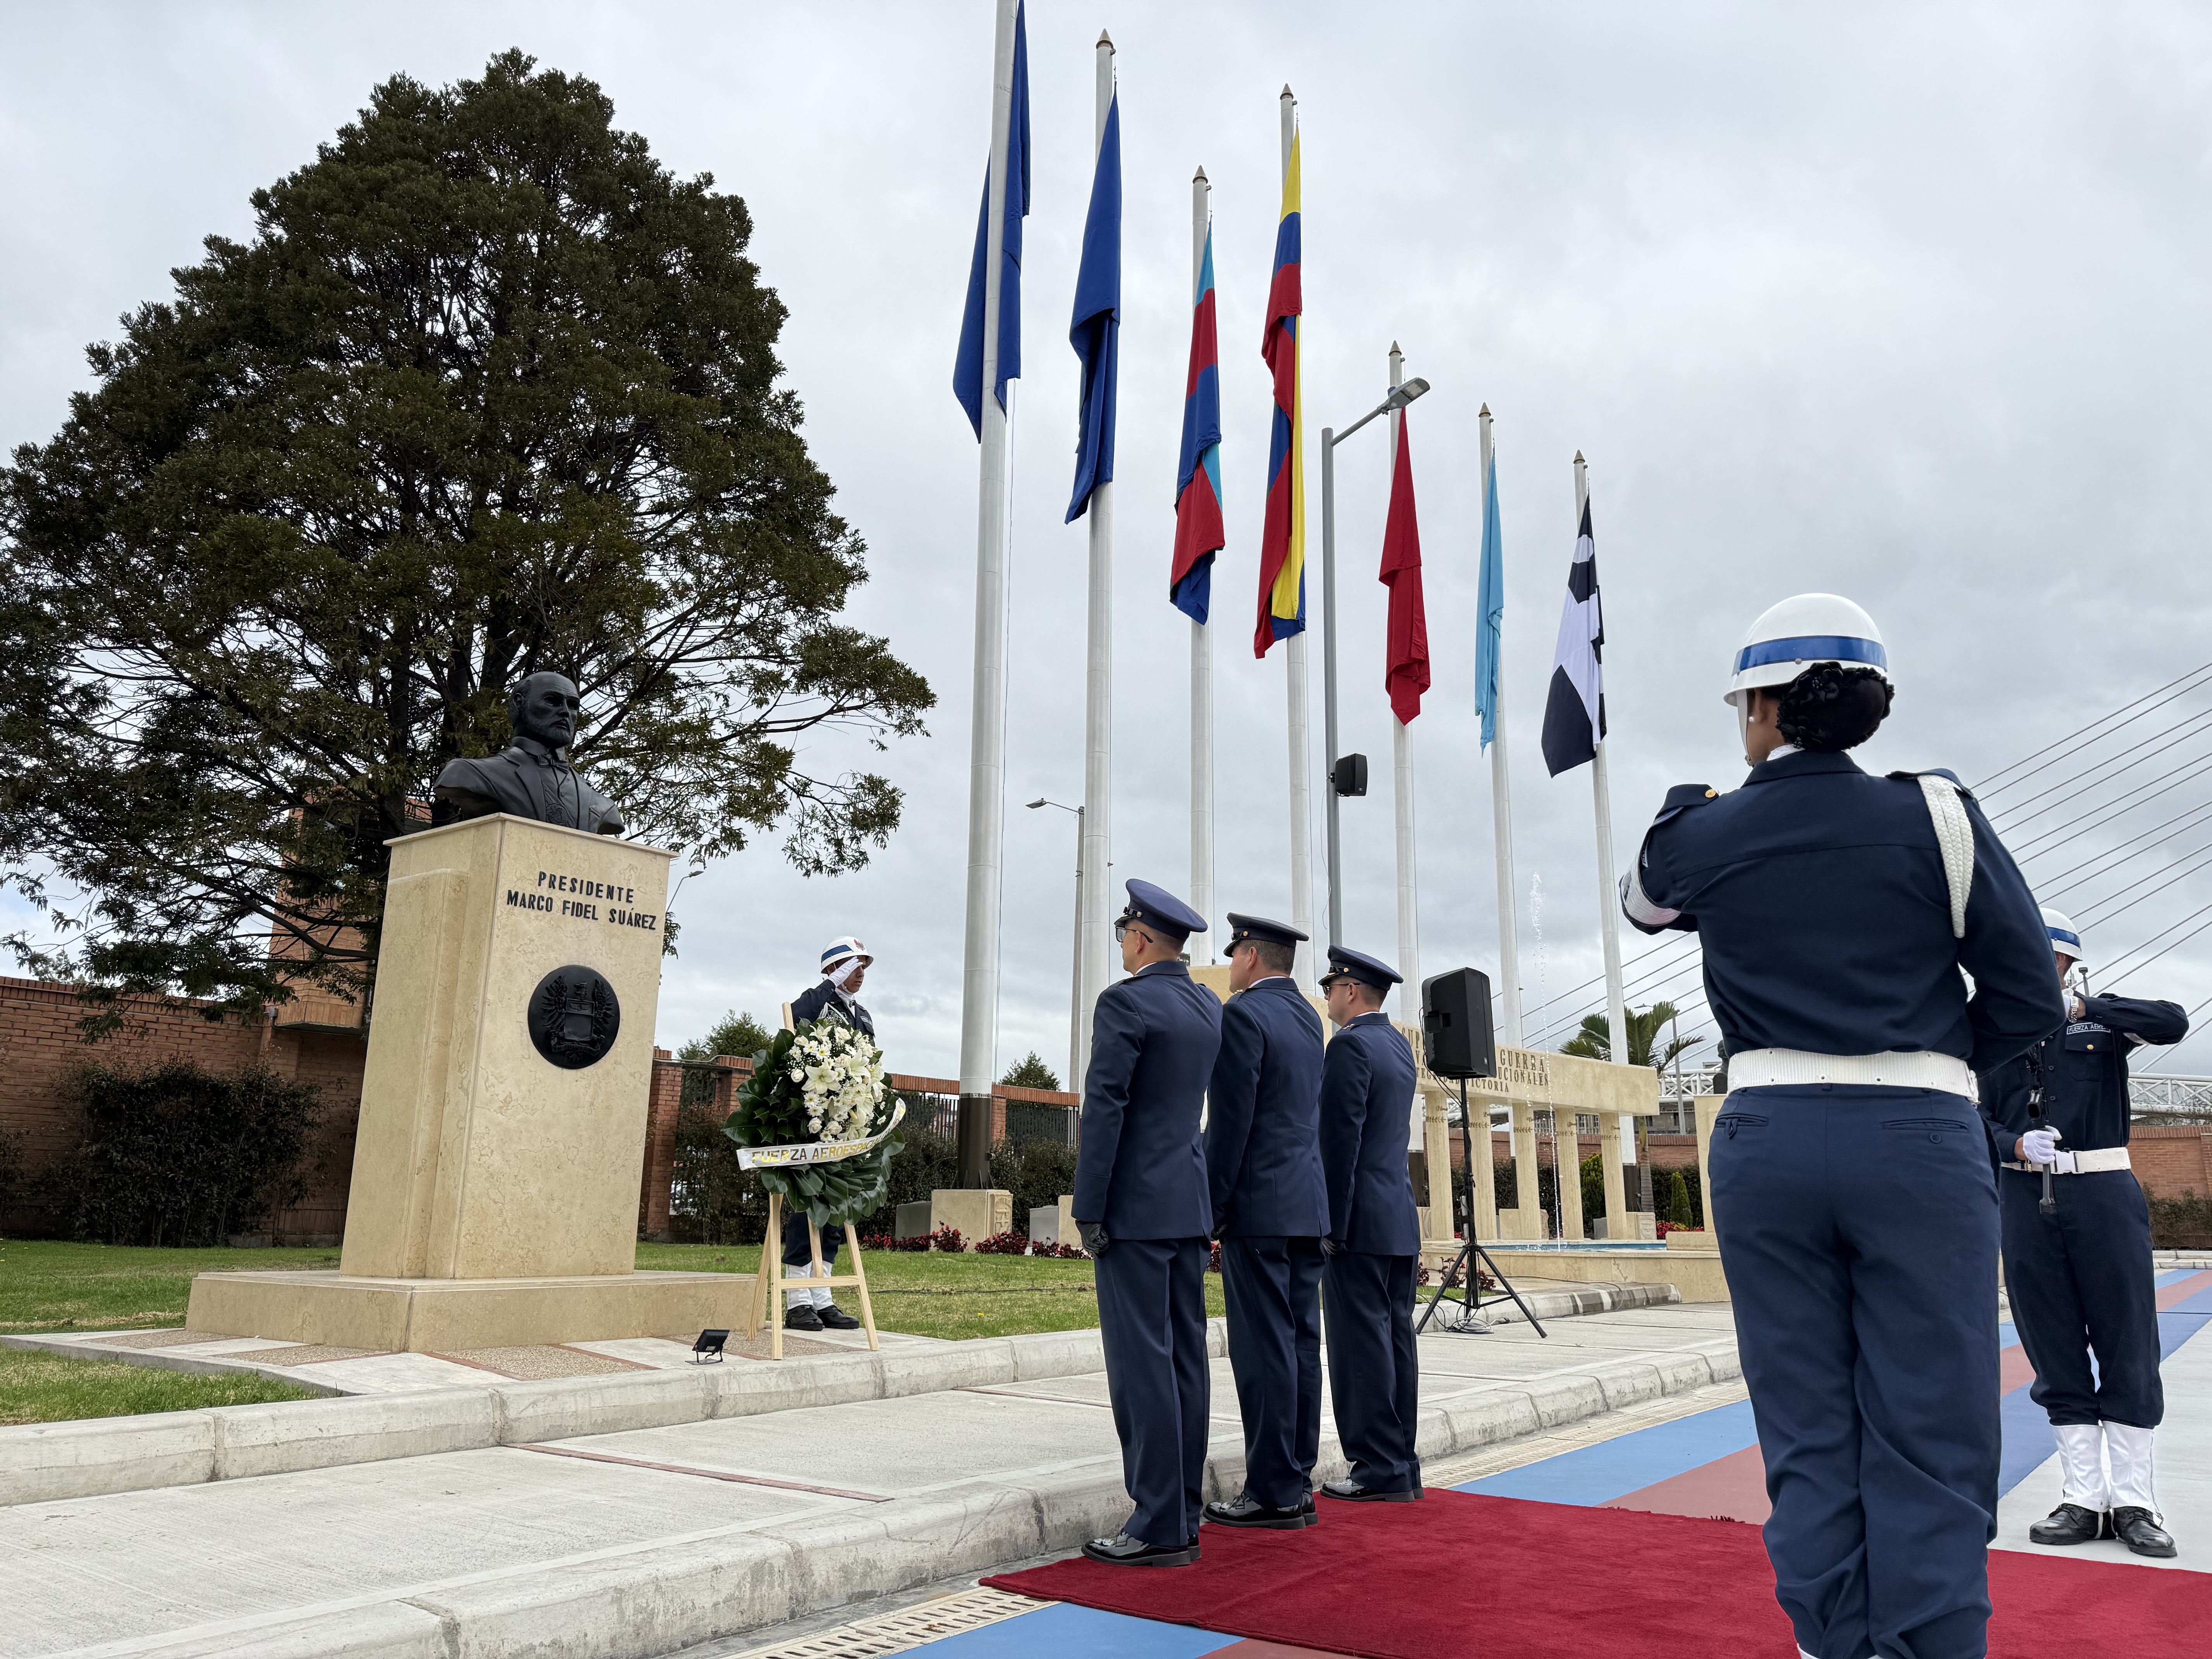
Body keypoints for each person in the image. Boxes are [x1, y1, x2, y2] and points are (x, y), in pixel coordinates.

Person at [1620, 594, 2062, 1659]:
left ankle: (1830, 1638)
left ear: (1763, 707)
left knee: (1805, 1419)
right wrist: (1937, 1068)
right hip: (1920, 1137)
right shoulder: (1939, 816)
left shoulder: (1707, 832)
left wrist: (1686, 807)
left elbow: (1644, 902)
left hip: (1767, 1136)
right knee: (1934, 1416)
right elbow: (2029, 999)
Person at [1976, 907, 2187, 1558]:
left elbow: (2173, 1021)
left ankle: (2135, 1501)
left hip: (2102, 1190)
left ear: (2069, 965)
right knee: (2052, 1343)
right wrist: (2012, 1142)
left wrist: (2085, 1007)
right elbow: (1966, 1114)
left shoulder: (2101, 1021)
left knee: (2127, 1340)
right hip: (2023, 1193)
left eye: (2052, 958)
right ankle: (2083, 1498)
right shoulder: (1981, 1028)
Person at [1073, 880, 1223, 1567]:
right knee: (1185, 1360)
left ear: (1139, 939)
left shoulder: (1125, 1002)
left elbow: (1105, 1108)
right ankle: (1182, 1513)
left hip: (1134, 1208)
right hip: (1185, 1205)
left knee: (1141, 1366)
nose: (1122, 947)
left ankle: (1158, 1522)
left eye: (1123, 936)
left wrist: (1090, 1206)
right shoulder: (1207, 1005)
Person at [1202, 914, 1329, 1531]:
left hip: (1260, 1208)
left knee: (1263, 1350)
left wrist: (1211, 1206)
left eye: (1234, 955)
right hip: (1305, 1204)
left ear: (1251, 956)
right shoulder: (1308, 1016)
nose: (1230, 966)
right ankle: (1296, 1479)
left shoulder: (1244, 1015)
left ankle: (1273, 1490)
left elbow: (1231, 1124)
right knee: (1302, 1343)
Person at [1315, 945, 1424, 1505]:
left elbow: (1340, 1144)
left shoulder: (1350, 1046)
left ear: (1351, 991)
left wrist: (1329, 1222)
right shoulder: (1397, 1046)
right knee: (1396, 1339)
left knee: (1361, 1346)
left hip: (1358, 1219)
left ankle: (1377, 1467)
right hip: (1397, 1216)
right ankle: (1401, 1461)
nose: (1328, 996)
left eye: (1330, 987)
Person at [781, 937, 875, 1333]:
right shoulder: (818, 1002)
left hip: (846, 1125)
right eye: (853, 965)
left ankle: (822, 1298)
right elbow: (793, 1019)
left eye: (863, 967)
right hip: (813, 1122)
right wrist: (828, 986)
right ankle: (798, 1301)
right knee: (807, 1208)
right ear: (834, 969)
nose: (860, 974)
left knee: (836, 1210)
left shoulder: (862, 1015)